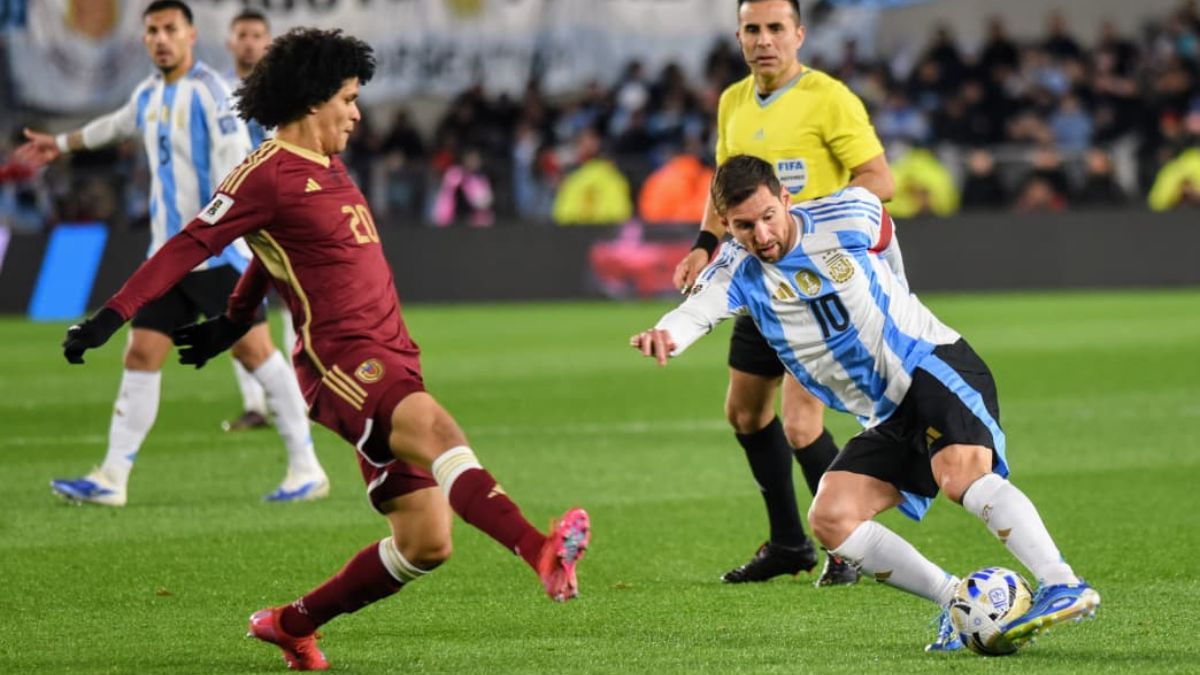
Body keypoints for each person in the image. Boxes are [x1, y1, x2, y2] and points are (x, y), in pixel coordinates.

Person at [58, 28, 590, 671]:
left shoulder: (328, 164)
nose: (357, 112)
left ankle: (291, 624)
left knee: (425, 543)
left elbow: (271, 252)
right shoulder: (264, 173)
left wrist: (236, 317)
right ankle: (539, 549)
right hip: (341, 365)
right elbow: (188, 243)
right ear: (313, 100)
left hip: (393, 350)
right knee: (434, 424)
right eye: (348, 97)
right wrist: (114, 314)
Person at [633, 154, 1100, 651]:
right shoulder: (734, 270)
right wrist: (665, 335)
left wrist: (897, 292)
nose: (762, 235)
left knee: (961, 477)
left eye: (769, 216)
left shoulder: (847, 212)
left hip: (927, 363)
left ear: (786, 199)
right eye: (745, 226)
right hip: (885, 412)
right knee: (832, 518)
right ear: (726, 224)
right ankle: (955, 602)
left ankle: (1060, 581)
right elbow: (694, 314)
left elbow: (884, 235)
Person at [16, 0, 327, 505]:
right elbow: (115, 125)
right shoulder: (148, 94)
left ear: (190, 35)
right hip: (168, 257)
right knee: (140, 353)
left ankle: (306, 467)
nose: (161, 38)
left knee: (256, 354)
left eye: (170, 29)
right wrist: (62, 143)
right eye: (153, 30)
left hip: (217, 255)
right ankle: (113, 478)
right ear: (145, 39)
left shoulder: (212, 94)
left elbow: (236, 171)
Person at [672, 0, 893, 585]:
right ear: (739, 35)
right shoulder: (733, 101)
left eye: (775, 28)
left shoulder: (830, 98)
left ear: (799, 34)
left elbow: (880, 179)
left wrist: (811, 224)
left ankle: (847, 546)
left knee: (800, 423)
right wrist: (704, 243)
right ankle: (790, 544)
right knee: (745, 413)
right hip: (759, 281)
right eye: (752, 29)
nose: (763, 39)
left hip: (816, 287)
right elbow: (726, 190)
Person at [223, 7, 275, 431]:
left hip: (285, 213)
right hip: (240, 218)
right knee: (239, 306)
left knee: (299, 310)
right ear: (230, 42)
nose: (249, 42)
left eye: (256, 34)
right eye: (242, 34)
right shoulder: (217, 94)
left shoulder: (286, 95)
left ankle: (302, 393)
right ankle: (256, 404)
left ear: (268, 42)